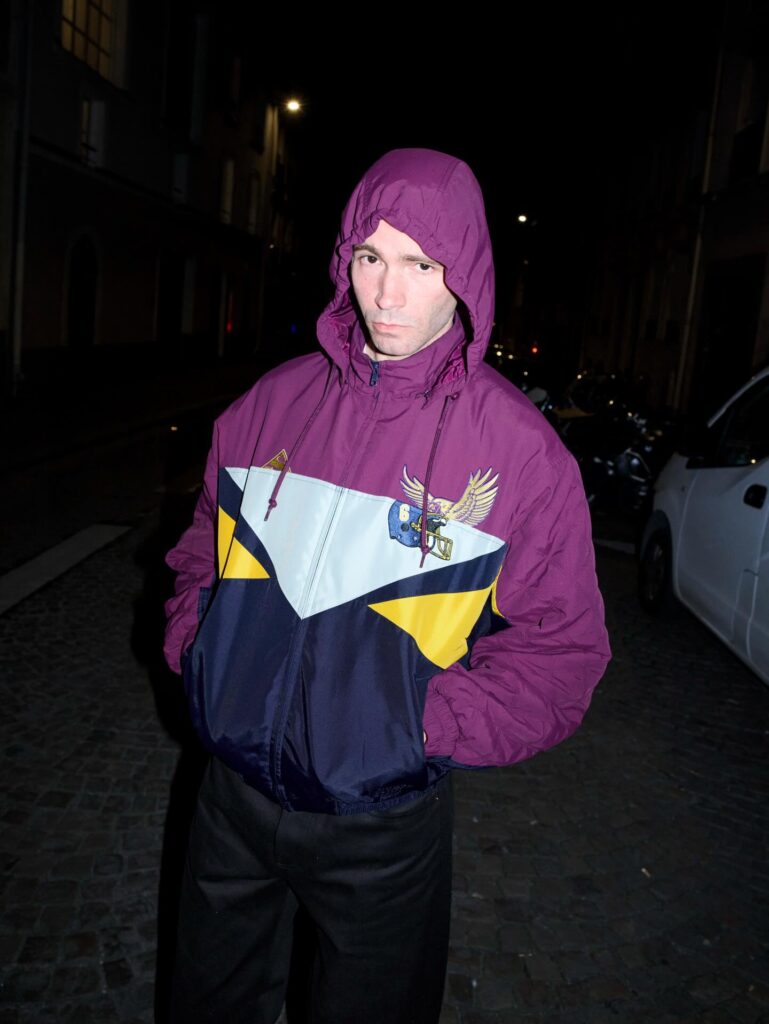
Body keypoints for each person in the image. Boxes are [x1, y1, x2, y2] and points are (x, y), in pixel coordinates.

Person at [163, 148, 611, 1024]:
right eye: (370, 257)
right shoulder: (269, 404)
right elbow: (195, 555)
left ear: (463, 276)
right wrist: (205, 653)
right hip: (231, 801)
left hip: (380, 826)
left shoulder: (521, 452)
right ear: (344, 259)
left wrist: (413, 729)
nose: (387, 293)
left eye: (421, 264)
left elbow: (560, 654)